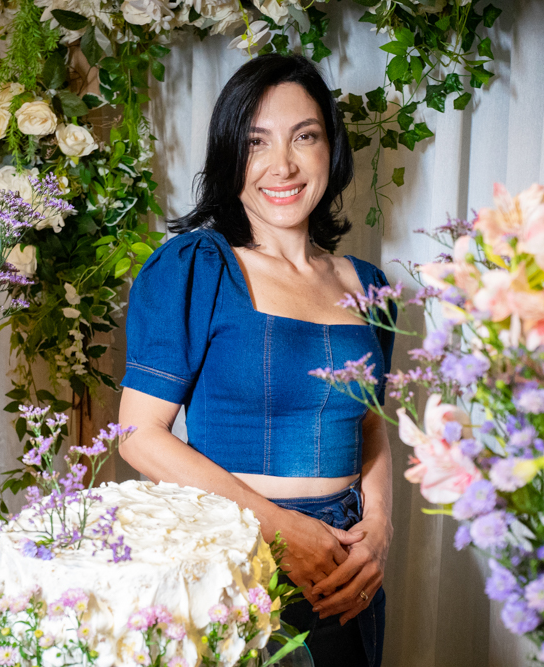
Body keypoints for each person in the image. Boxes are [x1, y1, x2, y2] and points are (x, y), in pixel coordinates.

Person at [118, 54, 395, 667]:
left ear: (331, 149)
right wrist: (280, 528)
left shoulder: (369, 285)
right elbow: (138, 435)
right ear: (230, 156)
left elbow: (371, 422)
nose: (283, 165)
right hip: (236, 559)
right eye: (256, 142)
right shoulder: (196, 267)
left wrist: (379, 526)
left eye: (305, 136)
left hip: (349, 565)